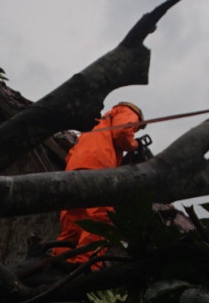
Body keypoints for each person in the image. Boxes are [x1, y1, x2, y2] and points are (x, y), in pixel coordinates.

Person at [54, 101, 145, 263]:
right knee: (100, 216)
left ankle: (60, 260)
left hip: (75, 168)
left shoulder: (96, 127)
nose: (135, 130)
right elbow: (123, 133)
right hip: (98, 167)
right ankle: (86, 263)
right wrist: (135, 145)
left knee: (73, 219)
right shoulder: (129, 111)